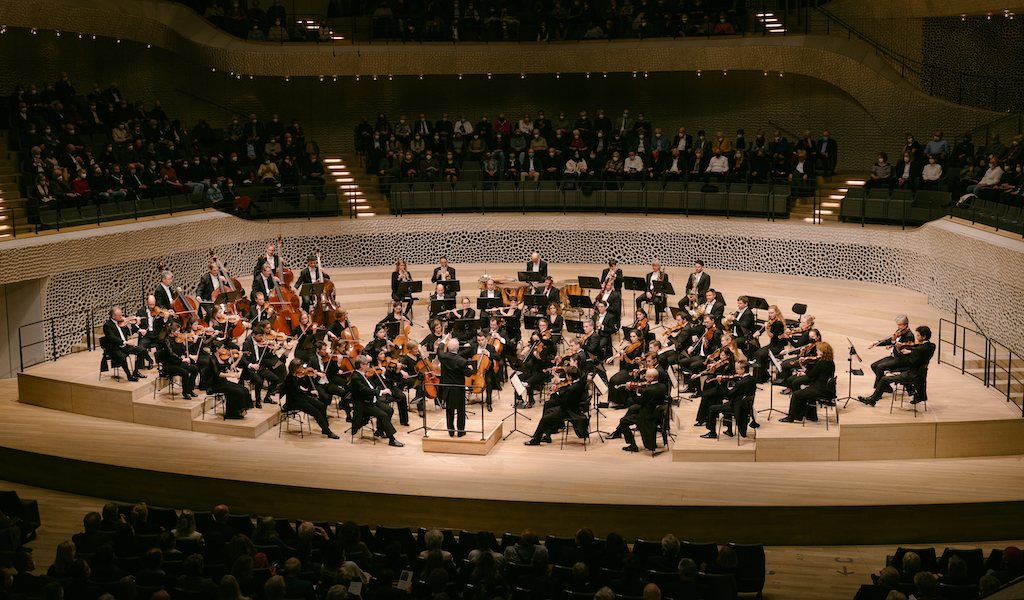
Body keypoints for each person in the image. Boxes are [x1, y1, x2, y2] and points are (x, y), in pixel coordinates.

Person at [857, 326, 934, 406]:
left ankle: (872, 400)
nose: (916, 337)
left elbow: (907, 362)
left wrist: (898, 351)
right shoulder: (931, 346)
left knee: (884, 379)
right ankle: (911, 391)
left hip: (912, 374)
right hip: (920, 374)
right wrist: (911, 352)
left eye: (918, 335)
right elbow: (920, 356)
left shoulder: (919, 350)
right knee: (882, 369)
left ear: (924, 336)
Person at [524, 366, 588, 445]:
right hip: (571, 407)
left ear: (570, 377)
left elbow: (562, 402)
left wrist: (554, 394)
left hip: (568, 411)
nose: (566, 377)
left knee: (544, 419)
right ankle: (547, 436)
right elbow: (566, 398)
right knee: (547, 411)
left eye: (566, 375)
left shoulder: (572, 388)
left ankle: (536, 440)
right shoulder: (579, 383)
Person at [607, 368, 666, 452]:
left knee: (623, 421)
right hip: (656, 413)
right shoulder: (663, 386)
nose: (645, 377)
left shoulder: (648, 390)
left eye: (647, 376)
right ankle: (619, 434)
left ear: (652, 377)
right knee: (632, 409)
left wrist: (631, 391)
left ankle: (632, 445)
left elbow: (639, 401)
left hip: (646, 416)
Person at [350, 355, 403, 446]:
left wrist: (382, 375)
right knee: (383, 415)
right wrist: (381, 392)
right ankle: (392, 439)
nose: (368, 366)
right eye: (366, 364)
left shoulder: (363, 375)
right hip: (364, 404)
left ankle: (379, 431)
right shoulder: (355, 377)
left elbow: (373, 385)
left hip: (372, 401)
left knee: (389, 410)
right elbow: (365, 390)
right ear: (361, 365)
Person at [700, 358, 757, 438]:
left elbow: (729, 395)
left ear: (743, 370)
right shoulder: (752, 379)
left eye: (738, 369)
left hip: (737, 407)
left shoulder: (740, 383)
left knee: (712, 408)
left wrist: (721, 384)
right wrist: (734, 390)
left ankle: (712, 432)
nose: (736, 371)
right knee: (725, 405)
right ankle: (729, 430)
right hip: (745, 406)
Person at [284, 359, 339, 439]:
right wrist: (310, 393)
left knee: (321, 405)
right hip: (294, 401)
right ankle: (327, 431)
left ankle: (325, 428)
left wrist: (311, 376)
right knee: (315, 411)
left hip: (301, 397)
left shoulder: (297, 376)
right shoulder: (289, 379)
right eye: (300, 367)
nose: (302, 369)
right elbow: (298, 392)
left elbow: (305, 386)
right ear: (295, 368)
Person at [864, 315, 915, 393]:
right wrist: (876, 342)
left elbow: (900, 351)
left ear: (906, 324)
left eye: (900, 325)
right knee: (874, 365)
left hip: (901, 360)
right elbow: (889, 341)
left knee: (880, 367)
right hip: (893, 357)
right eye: (897, 325)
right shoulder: (900, 331)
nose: (898, 327)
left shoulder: (909, 336)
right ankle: (885, 386)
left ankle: (878, 390)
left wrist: (894, 341)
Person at [438, 336, 472, 436]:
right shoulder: (461, 361)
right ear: (457, 348)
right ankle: (460, 431)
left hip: (447, 388)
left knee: (449, 410)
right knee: (460, 410)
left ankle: (451, 431)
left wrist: (444, 340)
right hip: (458, 389)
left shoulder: (443, 357)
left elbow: (439, 349)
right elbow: (468, 373)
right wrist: (469, 368)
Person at [102, 307, 148, 381]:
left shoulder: (122, 323)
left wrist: (136, 326)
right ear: (113, 316)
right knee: (122, 357)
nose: (122, 317)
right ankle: (129, 375)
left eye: (121, 315)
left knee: (142, 350)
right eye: (119, 315)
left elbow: (130, 332)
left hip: (124, 346)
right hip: (114, 348)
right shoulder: (107, 325)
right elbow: (112, 338)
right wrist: (125, 342)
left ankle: (135, 371)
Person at [157, 321, 200, 399]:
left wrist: (190, 355)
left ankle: (190, 389)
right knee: (185, 373)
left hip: (178, 362)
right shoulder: (166, 340)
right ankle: (185, 392)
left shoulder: (178, 339)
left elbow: (183, 349)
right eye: (178, 331)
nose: (179, 333)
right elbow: (171, 354)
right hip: (169, 364)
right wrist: (182, 359)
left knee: (195, 369)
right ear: (172, 332)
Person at [210, 341, 252, 419]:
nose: (224, 349)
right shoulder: (212, 359)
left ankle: (239, 409)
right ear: (217, 349)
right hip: (216, 384)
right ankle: (232, 413)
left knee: (243, 389)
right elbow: (217, 374)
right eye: (222, 348)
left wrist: (239, 358)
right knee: (236, 391)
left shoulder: (223, 357)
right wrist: (231, 375)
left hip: (223, 381)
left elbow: (230, 367)